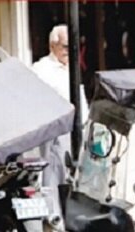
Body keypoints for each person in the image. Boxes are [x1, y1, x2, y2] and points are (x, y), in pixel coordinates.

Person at [32, 24, 88, 188]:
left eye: (73, 47)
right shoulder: (41, 69)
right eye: (65, 47)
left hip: (78, 132)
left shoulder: (70, 67)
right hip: (57, 135)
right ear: (52, 46)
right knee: (57, 180)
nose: (69, 51)